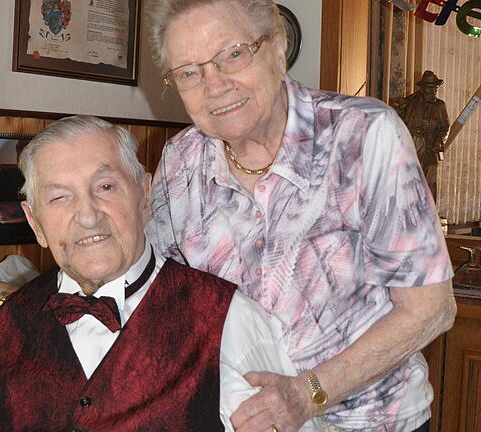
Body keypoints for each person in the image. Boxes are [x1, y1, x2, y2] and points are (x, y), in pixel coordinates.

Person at [143, 1, 456, 431]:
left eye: (232, 54)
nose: (214, 85)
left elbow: (431, 310)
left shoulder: (363, 136)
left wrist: (307, 394)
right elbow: (159, 293)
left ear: (276, 47)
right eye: (189, 72)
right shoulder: (181, 161)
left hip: (371, 421)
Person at [0, 115, 323, 431]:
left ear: (145, 195)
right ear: (36, 223)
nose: (87, 215)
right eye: (60, 197)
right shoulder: (10, 321)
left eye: (106, 187)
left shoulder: (226, 318)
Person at [393, 70, 450, 200]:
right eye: (431, 88)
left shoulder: (440, 106)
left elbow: (445, 127)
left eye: (435, 87)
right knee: (410, 179)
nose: (434, 91)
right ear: (423, 89)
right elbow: (396, 118)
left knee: (430, 181)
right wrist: (399, 107)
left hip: (430, 147)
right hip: (413, 145)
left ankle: (429, 214)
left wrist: (439, 141)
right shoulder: (410, 102)